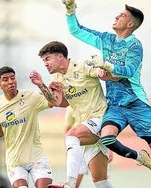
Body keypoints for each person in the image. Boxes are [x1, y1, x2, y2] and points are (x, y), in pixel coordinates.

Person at [62, 1, 151, 187]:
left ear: (130, 24)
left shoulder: (135, 46)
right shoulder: (106, 40)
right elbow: (76, 30)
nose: (117, 17)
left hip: (136, 104)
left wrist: (107, 66)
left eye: (122, 16)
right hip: (115, 106)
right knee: (107, 138)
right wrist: (70, 11)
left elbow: (129, 70)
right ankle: (139, 157)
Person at [30, 41, 115, 188]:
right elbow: (59, 103)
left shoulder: (82, 66)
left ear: (60, 57)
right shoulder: (57, 78)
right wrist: (41, 85)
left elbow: (105, 74)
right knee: (101, 182)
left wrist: (104, 72)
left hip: (101, 118)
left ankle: (69, 183)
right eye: (43, 60)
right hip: (87, 125)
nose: (45, 63)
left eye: (47, 59)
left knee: (71, 136)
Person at [0, 66, 58, 188]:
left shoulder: (30, 97)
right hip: (15, 162)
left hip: (37, 157)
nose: (10, 82)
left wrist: (40, 85)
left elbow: (53, 102)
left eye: (13, 78)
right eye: (5, 79)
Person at [63, 106, 113, 188]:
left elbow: (107, 128)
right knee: (74, 185)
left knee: (101, 181)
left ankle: (70, 182)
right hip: (79, 148)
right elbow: (67, 129)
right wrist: (68, 147)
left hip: (97, 144)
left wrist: (110, 149)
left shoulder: (97, 103)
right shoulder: (71, 108)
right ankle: (70, 182)